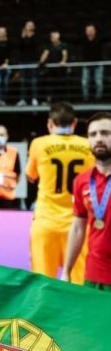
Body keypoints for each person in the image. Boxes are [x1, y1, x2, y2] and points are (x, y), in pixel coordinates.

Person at [25, 102, 94, 283]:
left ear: (50, 124)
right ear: (75, 122)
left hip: (46, 223)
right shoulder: (88, 145)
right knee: (80, 286)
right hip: (79, 225)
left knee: (42, 284)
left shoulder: (39, 144)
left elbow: (30, 176)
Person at [63, 112, 111, 291]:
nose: (99, 139)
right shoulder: (82, 181)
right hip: (93, 275)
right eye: (93, 134)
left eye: (105, 133)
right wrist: (67, 270)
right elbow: (77, 228)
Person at [38, 29, 68, 102]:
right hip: (51, 70)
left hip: (60, 70)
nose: (52, 38)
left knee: (60, 85)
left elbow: (65, 55)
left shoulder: (63, 45)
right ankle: (49, 100)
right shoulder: (49, 46)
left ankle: (61, 100)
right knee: (50, 85)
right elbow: (45, 54)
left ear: (58, 37)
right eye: (51, 37)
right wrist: (41, 61)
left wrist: (63, 61)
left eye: (53, 37)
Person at [16, 20, 40, 106]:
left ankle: (34, 98)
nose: (29, 27)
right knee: (23, 81)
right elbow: (19, 47)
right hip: (23, 61)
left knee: (34, 81)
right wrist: (23, 37)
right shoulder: (22, 36)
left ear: (33, 27)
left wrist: (29, 37)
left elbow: (35, 46)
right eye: (27, 25)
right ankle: (23, 99)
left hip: (33, 61)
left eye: (30, 25)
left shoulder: (36, 36)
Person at [80, 24, 104, 102]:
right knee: (84, 82)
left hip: (98, 63)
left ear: (95, 31)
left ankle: (98, 98)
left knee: (99, 82)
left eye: (91, 30)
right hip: (86, 63)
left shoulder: (100, 38)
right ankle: (86, 99)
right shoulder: (83, 39)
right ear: (85, 32)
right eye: (88, 30)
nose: (89, 32)